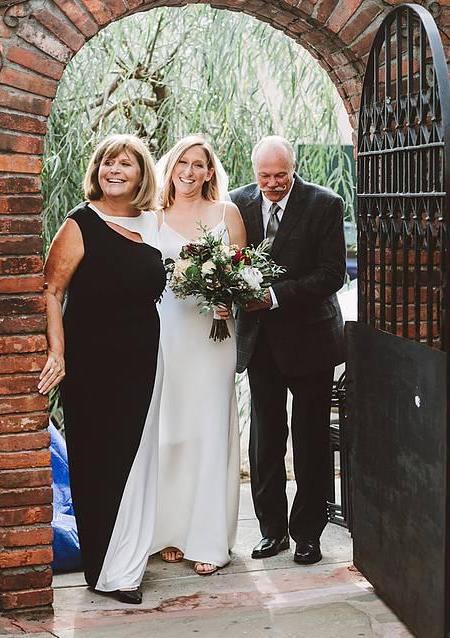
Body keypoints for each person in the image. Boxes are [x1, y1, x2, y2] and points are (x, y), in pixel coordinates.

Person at [39, 134, 165, 605]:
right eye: (108, 162)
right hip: (92, 363)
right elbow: (51, 290)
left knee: (137, 460)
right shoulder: (79, 223)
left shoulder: (153, 225)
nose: (115, 170)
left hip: (145, 359)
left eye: (126, 164)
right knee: (97, 462)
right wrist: (58, 354)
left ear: (140, 175)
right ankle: (104, 570)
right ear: (97, 169)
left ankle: (128, 564)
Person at [230, 135, 346, 566]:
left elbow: (332, 274)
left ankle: (308, 534)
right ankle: (271, 530)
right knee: (265, 440)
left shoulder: (325, 203)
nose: (273, 184)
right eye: (265, 176)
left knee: (310, 439)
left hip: (311, 338)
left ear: (293, 168)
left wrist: (275, 296)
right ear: (253, 170)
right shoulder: (235, 203)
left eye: (281, 175)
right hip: (259, 343)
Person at [143, 135, 246, 576]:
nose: (188, 170)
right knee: (170, 431)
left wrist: (231, 300)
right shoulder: (151, 217)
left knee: (209, 428)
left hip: (213, 336)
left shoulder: (227, 214)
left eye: (198, 164)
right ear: (171, 166)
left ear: (209, 171)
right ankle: (170, 530)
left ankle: (208, 538)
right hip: (166, 335)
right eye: (182, 161)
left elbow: (244, 274)